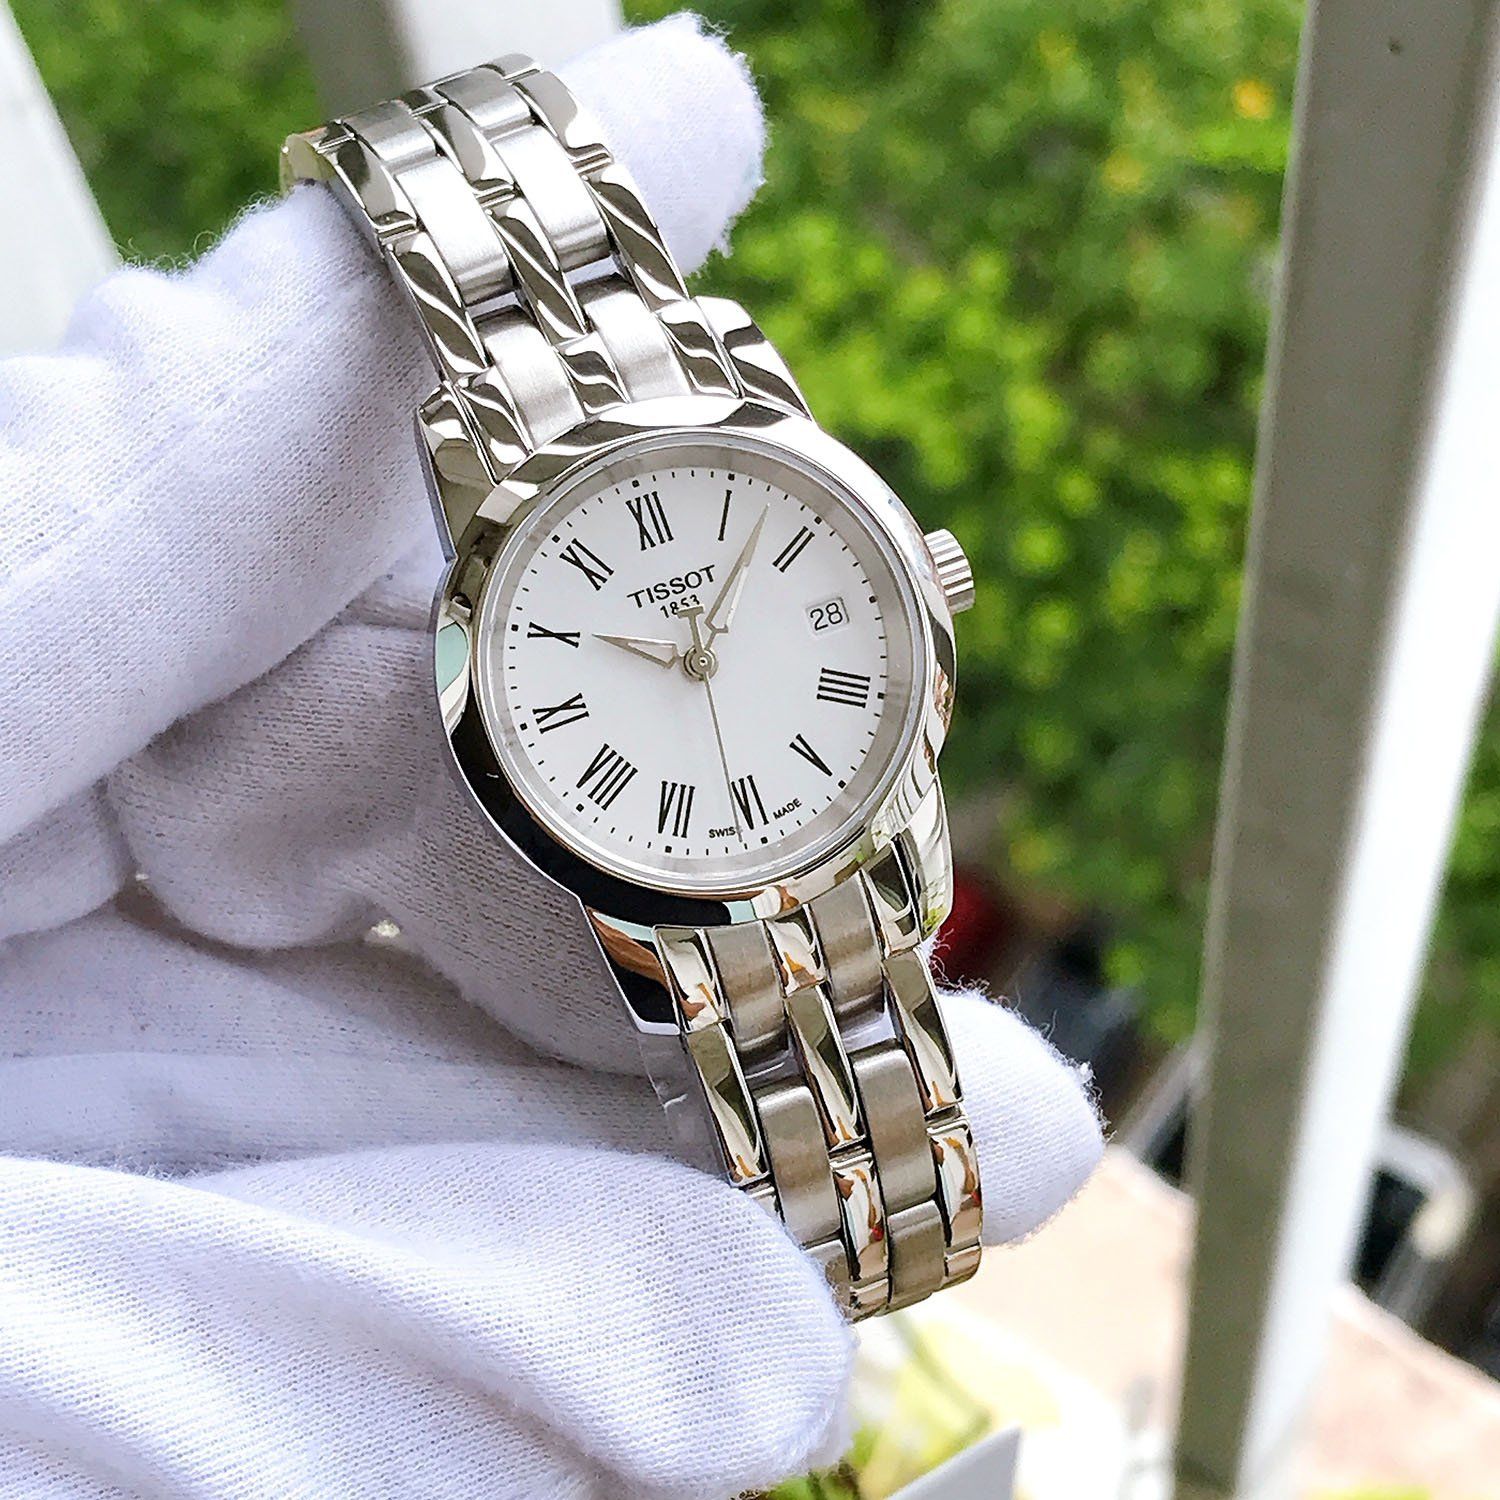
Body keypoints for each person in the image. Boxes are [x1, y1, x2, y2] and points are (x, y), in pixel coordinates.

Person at [0, 17, 1102, 1498]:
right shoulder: (488, 642)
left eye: (714, 636)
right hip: (667, 842)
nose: (697, 652)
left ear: (918, 584)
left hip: (812, 836)